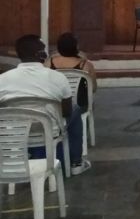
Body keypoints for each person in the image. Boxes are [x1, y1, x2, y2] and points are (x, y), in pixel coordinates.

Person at [0, 34, 89, 175]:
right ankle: (75, 162)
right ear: (39, 54)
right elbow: (66, 112)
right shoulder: (58, 78)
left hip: (16, 131)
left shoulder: (3, 79)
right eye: (43, 50)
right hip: (50, 130)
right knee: (75, 109)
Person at [46, 32, 97, 111]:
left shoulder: (49, 63)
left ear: (58, 47)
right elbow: (93, 88)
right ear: (76, 47)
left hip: (55, 104)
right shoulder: (86, 65)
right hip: (79, 105)